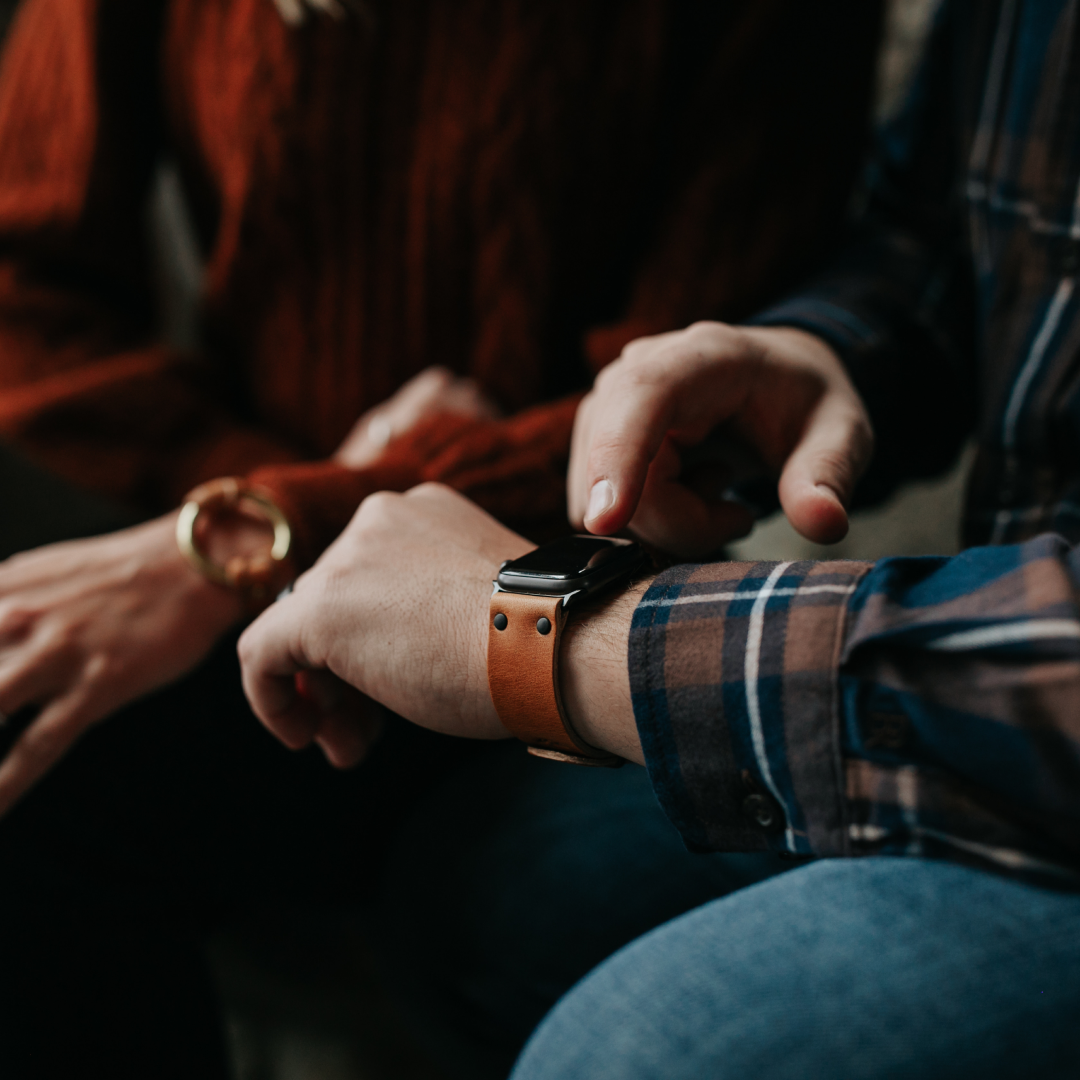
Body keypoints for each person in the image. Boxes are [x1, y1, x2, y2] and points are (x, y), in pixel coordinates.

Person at [0, 1, 885, 1074]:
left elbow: (699, 392)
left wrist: (297, 514)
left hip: (577, 587)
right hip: (262, 572)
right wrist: (298, 500)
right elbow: (22, 285)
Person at [238, 1, 1080, 1075]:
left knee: (643, 1052)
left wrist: (567, 648)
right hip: (986, 670)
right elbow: (934, 236)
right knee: (473, 894)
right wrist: (818, 348)